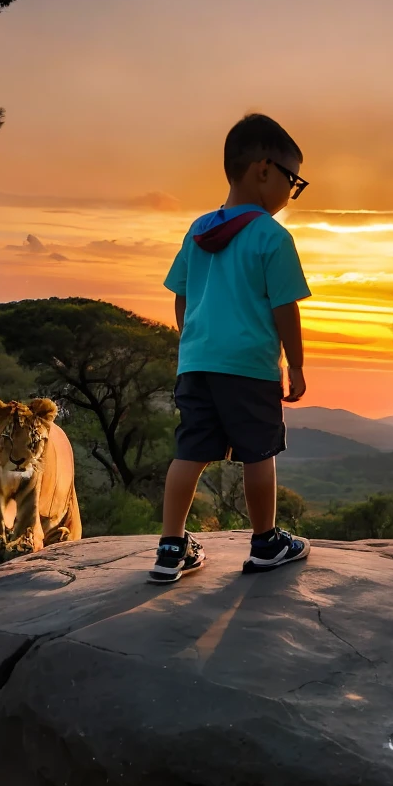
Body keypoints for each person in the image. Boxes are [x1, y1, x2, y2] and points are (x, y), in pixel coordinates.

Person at [149, 113, 313, 583]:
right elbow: (285, 308)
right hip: (249, 367)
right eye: (292, 179)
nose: (291, 192)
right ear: (264, 170)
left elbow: (181, 296)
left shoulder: (198, 230)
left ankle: (170, 547)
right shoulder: (271, 237)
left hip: (196, 363)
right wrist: (296, 364)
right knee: (259, 453)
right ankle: (265, 543)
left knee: (190, 452)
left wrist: (195, 342)